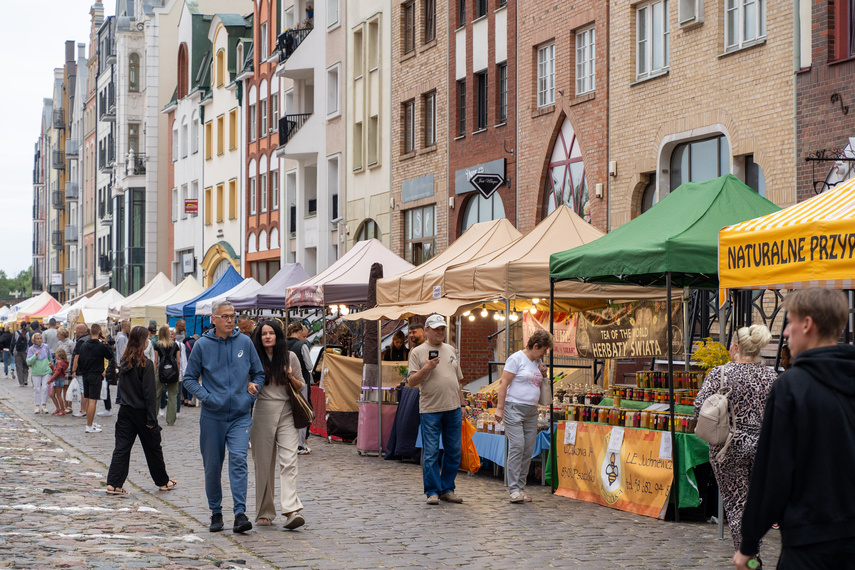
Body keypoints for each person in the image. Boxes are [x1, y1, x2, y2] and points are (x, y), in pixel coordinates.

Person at [734, 289, 855, 570]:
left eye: (789, 322)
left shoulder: (792, 386)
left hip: (809, 542)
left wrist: (748, 544)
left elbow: (773, 471)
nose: (785, 333)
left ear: (807, 325)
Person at [182, 300, 265, 534]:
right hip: (212, 417)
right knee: (212, 466)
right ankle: (216, 512)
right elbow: (189, 378)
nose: (230, 320)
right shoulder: (202, 346)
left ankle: (240, 514)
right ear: (214, 319)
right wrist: (207, 397)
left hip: (240, 414)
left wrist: (252, 392)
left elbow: (259, 373)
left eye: (233, 315)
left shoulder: (245, 343)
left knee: (239, 460)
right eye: (225, 316)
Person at [693, 324, 776, 550]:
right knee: (756, 504)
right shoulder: (771, 376)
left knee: (737, 504)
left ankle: (748, 556)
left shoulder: (720, 374)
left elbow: (699, 408)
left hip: (728, 448)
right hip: (763, 448)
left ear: (736, 347)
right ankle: (751, 551)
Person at [105, 325, 177, 496]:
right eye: (146, 339)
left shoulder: (124, 362)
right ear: (142, 341)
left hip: (126, 410)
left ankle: (114, 484)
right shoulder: (145, 363)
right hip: (142, 412)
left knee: (122, 448)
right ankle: (163, 481)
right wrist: (152, 419)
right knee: (153, 448)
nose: (148, 341)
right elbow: (149, 394)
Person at [251, 320, 307, 530]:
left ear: (278, 336)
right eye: (264, 333)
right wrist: (249, 384)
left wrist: (290, 376)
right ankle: (264, 511)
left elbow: (301, 386)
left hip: (287, 412)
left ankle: (291, 510)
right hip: (263, 411)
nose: (267, 337)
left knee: (289, 460)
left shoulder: (290, 356)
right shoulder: (255, 357)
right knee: (263, 464)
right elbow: (246, 381)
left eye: (271, 333)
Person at [407, 314, 465, 505]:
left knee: (454, 451)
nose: (441, 332)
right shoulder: (417, 352)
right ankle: (432, 491)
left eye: (443, 329)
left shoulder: (450, 349)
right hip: (430, 409)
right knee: (431, 452)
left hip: (453, 408)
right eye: (437, 329)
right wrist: (427, 368)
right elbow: (411, 382)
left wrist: (462, 405)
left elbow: (458, 380)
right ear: (427, 331)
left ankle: (447, 489)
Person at [495, 329, 554, 503]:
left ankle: (521, 487)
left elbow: (539, 384)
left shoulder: (538, 362)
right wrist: (499, 408)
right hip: (513, 407)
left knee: (528, 449)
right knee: (518, 446)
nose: (544, 354)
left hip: (531, 410)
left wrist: (544, 374)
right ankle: (513, 488)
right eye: (543, 350)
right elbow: (503, 383)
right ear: (535, 346)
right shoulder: (516, 359)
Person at [76, 323, 115, 433]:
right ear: (99, 332)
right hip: (95, 374)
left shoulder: (84, 345)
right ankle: (89, 426)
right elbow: (110, 355)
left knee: (88, 400)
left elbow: (80, 361)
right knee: (93, 401)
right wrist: (106, 342)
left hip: (86, 374)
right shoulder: (100, 346)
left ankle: (90, 423)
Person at [286, 323, 314, 454]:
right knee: (302, 409)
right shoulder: (302, 346)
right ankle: (301, 444)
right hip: (300, 381)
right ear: (298, 333)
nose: (305, 339)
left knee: (288, 410)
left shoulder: (282, 344)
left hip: (285, 382)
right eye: (304, 336)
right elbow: (309, 366)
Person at [153, 326, 181, 426]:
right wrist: (177, 374)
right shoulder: (176, 345)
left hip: (161, 371)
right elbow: (178, 361)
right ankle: (170, 420)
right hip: (173, 371)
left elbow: (156, 361)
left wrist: (154, 373)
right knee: (173, 396)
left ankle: (153, 417)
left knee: (156, 395)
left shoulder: (157, 345)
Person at [26, 332, 53, 415]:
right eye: (37, 339)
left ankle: (44, 405)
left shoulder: (46, 347)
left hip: (46, 370)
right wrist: (35, 355)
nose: (39, 340)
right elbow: (28, 361)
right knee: (37, 389)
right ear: (34, 340)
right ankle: (37, 406)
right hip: (36, 371)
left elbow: (50, 358)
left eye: (40, 338)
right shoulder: (31, 349)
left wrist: (51, 366)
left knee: (45, 388)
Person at [70, 324, 90, 417]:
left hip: (81, 370)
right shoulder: (90, 339)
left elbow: (77, 357)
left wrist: (74, 370)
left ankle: (83, 410)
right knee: (87, 390)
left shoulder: (81, 341)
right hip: (89, 369)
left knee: (83, 390)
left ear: (78, 330)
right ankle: (87, 409)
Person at [56, 327, 75, 414]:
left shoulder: (70, 343)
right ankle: (65, 405)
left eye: (58, 334)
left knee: (68, 388)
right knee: (63, 388)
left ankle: (69, 406)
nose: (57, 335)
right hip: (61, 370)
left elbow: (74, 355)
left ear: (63, 335)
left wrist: (73, 368)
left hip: (67, 369)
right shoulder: (59, 343)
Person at [114, 320, 130, 406]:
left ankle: (120, 397)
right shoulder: (121, 337)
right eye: (128, 326)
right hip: (122, 362)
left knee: (122, 380)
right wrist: (121, 361)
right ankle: (119, 397)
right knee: (121, 380)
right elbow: (121, 350)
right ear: (124, 327)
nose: (129, 328)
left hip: (122, 361)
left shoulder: (123, 336)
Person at [49, 348, 69, 415]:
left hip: (58, 379)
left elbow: (57, 372)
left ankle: (62, 410)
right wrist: (52, 366)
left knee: (58, 395)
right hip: (57, 379)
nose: (56, 356)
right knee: (51, 395)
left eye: (56, 354)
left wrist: (51, 380)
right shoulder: (61, 362)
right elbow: (55, 371)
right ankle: (58, 408)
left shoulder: (59, 362)